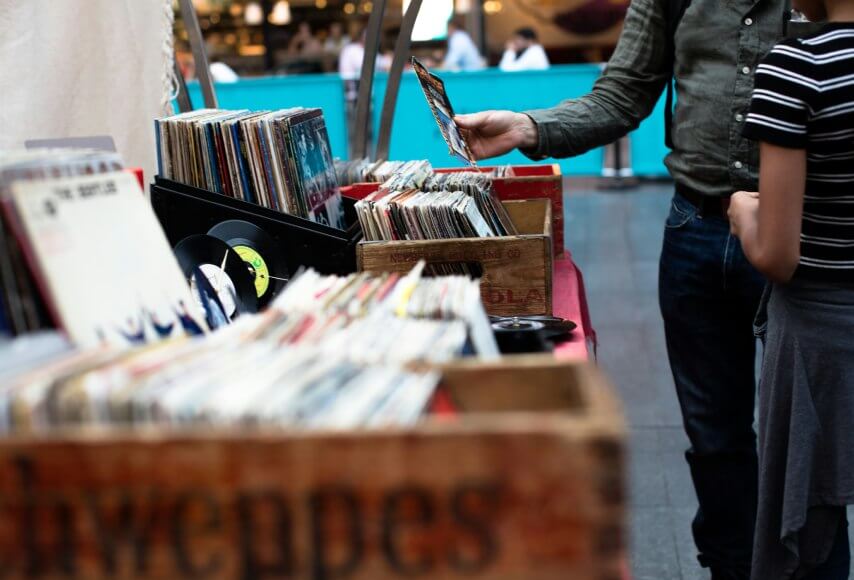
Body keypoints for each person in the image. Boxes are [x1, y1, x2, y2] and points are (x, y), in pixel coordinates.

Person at [453, 0, 813, 577]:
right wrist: (527, 126)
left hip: (805, 237)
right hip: (696, 230)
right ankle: (731, 568)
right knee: (715, 439)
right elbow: (621, 94)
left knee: (806, 443)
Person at [727, 0, 854, 577]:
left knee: (812, 527)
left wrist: (743, 211)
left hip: (819, 338)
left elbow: (777, 256)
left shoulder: (799, 66)